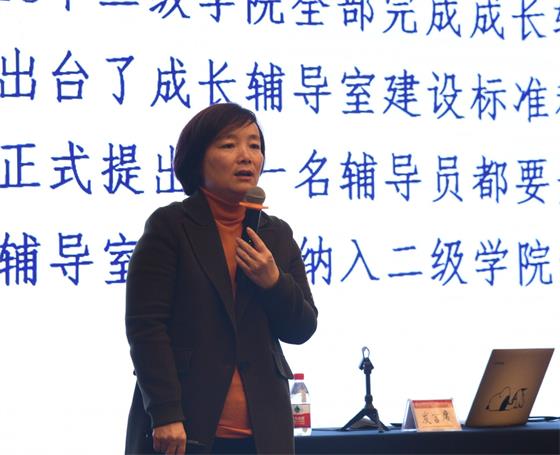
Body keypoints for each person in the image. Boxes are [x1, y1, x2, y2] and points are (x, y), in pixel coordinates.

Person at [124, 102, 318, 455]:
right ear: (197, 159)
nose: (246, 156)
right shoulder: (171, 226)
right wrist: (165, 413)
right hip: (186, 427)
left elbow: (302, 328)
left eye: (254, 145)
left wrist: (274, 282)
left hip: (264, 434)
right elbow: (146, 326)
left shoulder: (276, 234)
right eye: (229, 145)